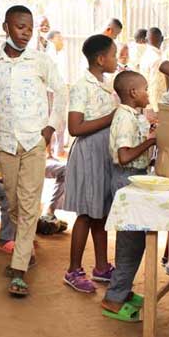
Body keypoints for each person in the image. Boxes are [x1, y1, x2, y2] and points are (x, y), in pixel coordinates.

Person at [0, 5, 67, 297]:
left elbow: (61, 91)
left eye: (30, 28)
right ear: (6, 27)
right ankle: (27, 250)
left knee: (29, 200)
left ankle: (19, 269)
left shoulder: (40, 61)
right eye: (20, 27)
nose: (26, 33)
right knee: (13, 202)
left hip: (34, 142)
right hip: (6, 143)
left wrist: (50, 128)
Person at [0, 102, 67, 250]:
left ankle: (27, 231)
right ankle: (6, 239)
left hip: (13, 168)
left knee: (26, 189)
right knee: (10, 192)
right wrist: (5, 168)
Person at [63, 34, 119, 293]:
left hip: (103, 153)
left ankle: (101, 266)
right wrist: (111, 118)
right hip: (87, 154)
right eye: (113, 55)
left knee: (102, 211)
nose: (116, 60)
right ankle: (73, 270)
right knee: (86, 213)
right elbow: (75, 127)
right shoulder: (81, 86)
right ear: (100, 59)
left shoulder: (105, 84)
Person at [100, 71, 156, 322]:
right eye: (145, 89)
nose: (148, 93)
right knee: (129, 243)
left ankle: (122, 291)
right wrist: (151, 142)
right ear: (133, 93)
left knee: (136, 242)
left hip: (134, 179)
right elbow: (123, 156)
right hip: (126, 180)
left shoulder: (132, 115)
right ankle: (113, 299)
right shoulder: (124, 118)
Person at [46, 30, 70, 158]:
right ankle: (50, 151)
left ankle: (58, 150)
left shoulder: (60, 54)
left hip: (59, 92)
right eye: (59, 38)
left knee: (61, 121)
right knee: (52, 121)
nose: (62, 41)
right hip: (51, 92)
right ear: (52, 40)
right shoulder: (49, 55)